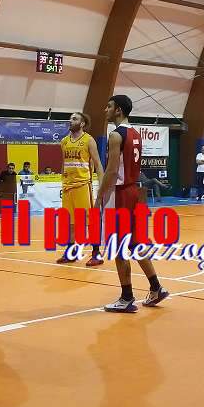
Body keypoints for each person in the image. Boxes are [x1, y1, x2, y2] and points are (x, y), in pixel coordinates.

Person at [97, 94, 168, 312]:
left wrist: (99, 195)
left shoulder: (115, 135)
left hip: (120, 194)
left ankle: (126, 297)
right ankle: (156, 287)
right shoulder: (136, 133)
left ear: (118, 110)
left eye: (109, 106)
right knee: (136, 243)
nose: (105, 110)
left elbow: (111, 171)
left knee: (118, 247)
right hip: (136, 192)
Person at [56, 112, 105, 266]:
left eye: (74, 118)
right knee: (70, 222)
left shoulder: (89, 140)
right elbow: (64, 163)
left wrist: (102, 187)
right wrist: (62, 181)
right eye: (70, 118)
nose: (70, 120)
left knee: (90, 221)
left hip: (83, 185)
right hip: (68, 187)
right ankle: (71, 253)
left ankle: (96, 254)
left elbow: (98, 164)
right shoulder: (64, 141)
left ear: (82, 123)